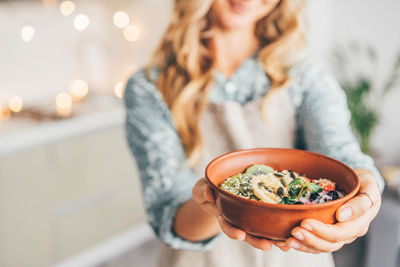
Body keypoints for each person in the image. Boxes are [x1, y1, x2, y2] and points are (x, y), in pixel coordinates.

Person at [124, 0, 383, 266]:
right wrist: (224, 205)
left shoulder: (306, 78)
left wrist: (366, 193)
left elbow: (343, 158)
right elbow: (168, 213)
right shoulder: (150, 87)